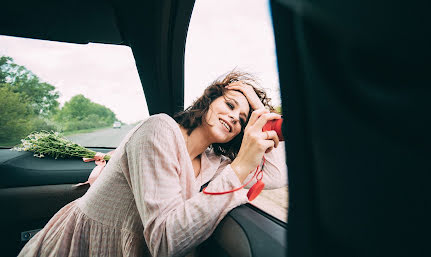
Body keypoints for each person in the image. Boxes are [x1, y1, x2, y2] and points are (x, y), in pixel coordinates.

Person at [18, 71, 287, 257]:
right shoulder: (158, 130)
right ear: (209, 98)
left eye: (242, 119)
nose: (233, 118)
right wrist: (239, 168)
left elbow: (279, 173)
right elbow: (165, 242)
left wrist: (261, 111)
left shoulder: (216, 163)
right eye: (229, 104)